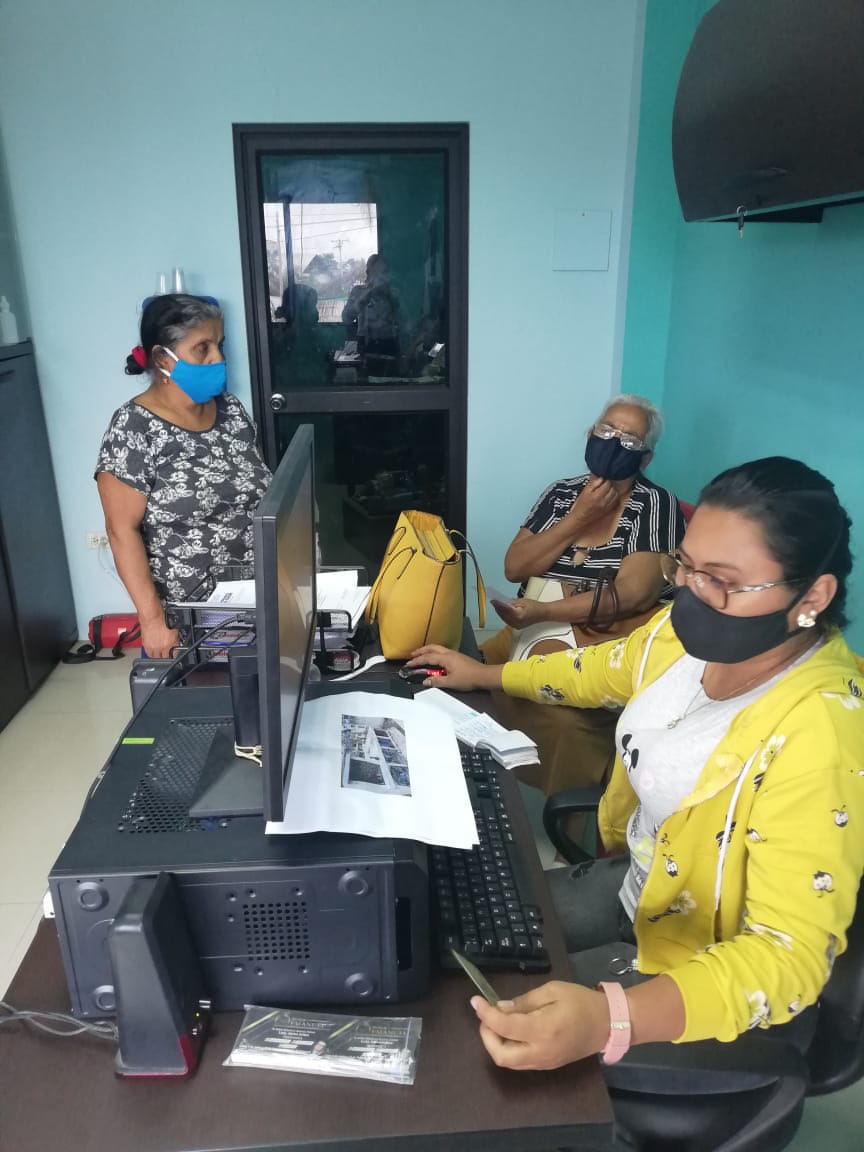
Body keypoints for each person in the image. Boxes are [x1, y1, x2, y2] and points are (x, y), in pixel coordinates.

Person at [408, 456, 864, 1068]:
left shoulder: (821, 733)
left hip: (701, 968)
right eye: (686, 566)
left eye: (721, 581)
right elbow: (600, 670)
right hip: (637, 888)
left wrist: (609, 1019)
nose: (690, 593)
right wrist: (486, 674)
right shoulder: (682, 638)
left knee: (477, 1038)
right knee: (450, 936)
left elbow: (788, 956)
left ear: (812, 596)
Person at [483, 395, 685, 797]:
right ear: (590, 434)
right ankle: (483, 778)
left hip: (599, 640)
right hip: (528, 630)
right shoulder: (561, 493)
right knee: (463, 676)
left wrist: (545, 611)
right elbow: (515, 567)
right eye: (607, 430)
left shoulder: (655, 503)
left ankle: (564, 819)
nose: (614, 442)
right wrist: (579, 518)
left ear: (645, 458)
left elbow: (633, 594)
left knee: (566, 725)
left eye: (630, 439)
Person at [95, 294, 271, 659]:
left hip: (257, 606)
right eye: (202, 348)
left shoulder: (231, 411)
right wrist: (153, 621)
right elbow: (121, 531)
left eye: (219, 345)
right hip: (189, 623)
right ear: (163, 359)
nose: (218, 358)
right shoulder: (133, 427)